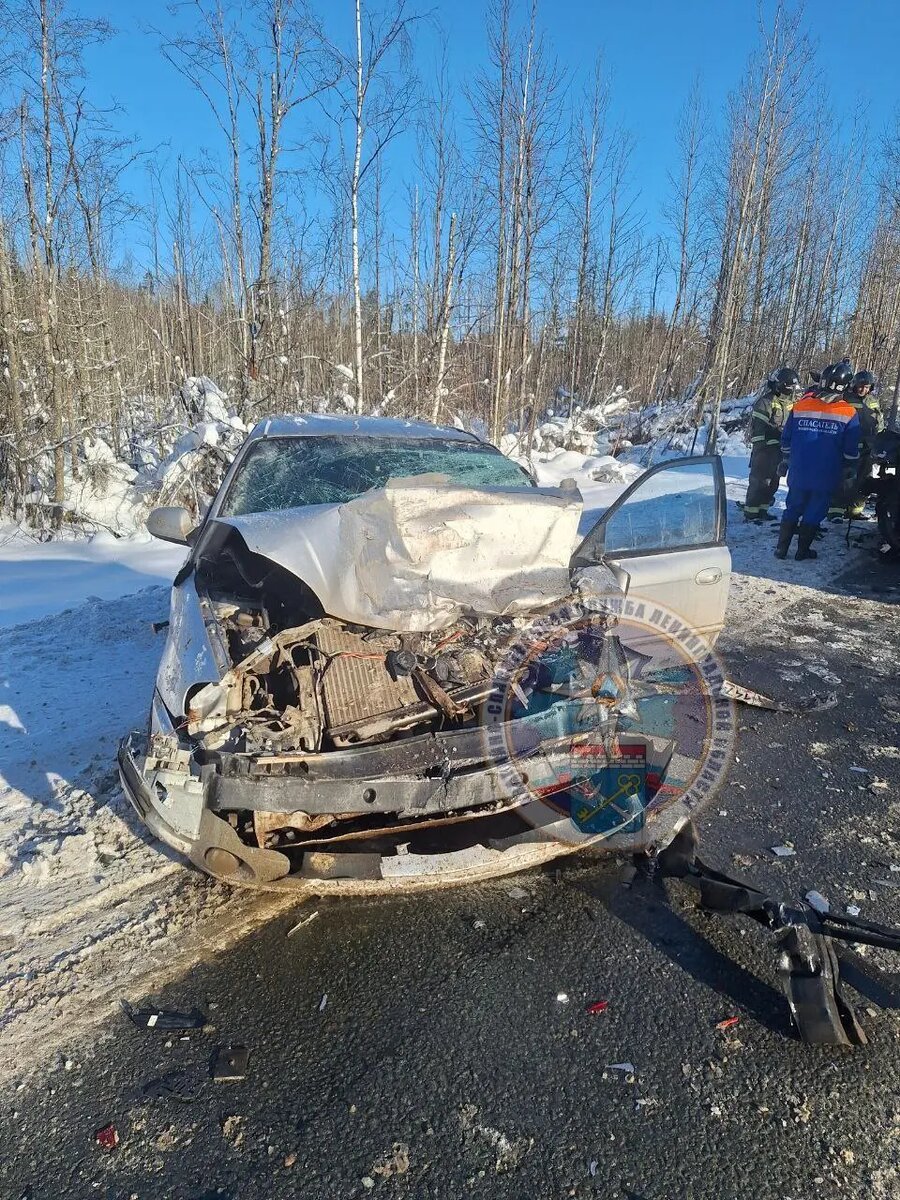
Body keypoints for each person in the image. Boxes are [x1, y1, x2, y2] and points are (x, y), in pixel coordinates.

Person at [775, 360, 860, 561]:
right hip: (826, 472)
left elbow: (785, 439)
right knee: (815, 510)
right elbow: (851, 449)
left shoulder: (801, 405)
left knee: (793, 506)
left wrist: (786, 459)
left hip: (799, 470)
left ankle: (781, 549)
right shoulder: (849, 412)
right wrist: (850, 468)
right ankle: (802, 551)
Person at [743, 367, 800, 522]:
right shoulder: (765, 402)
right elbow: (758, 430)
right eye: (790, 387)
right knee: (759, 482)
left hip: (780, 451)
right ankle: (751, 512)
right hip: (765, 450)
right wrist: (762, 450)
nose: (791, 390)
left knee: (773, 483)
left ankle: (763, 510)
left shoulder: (791, 403)